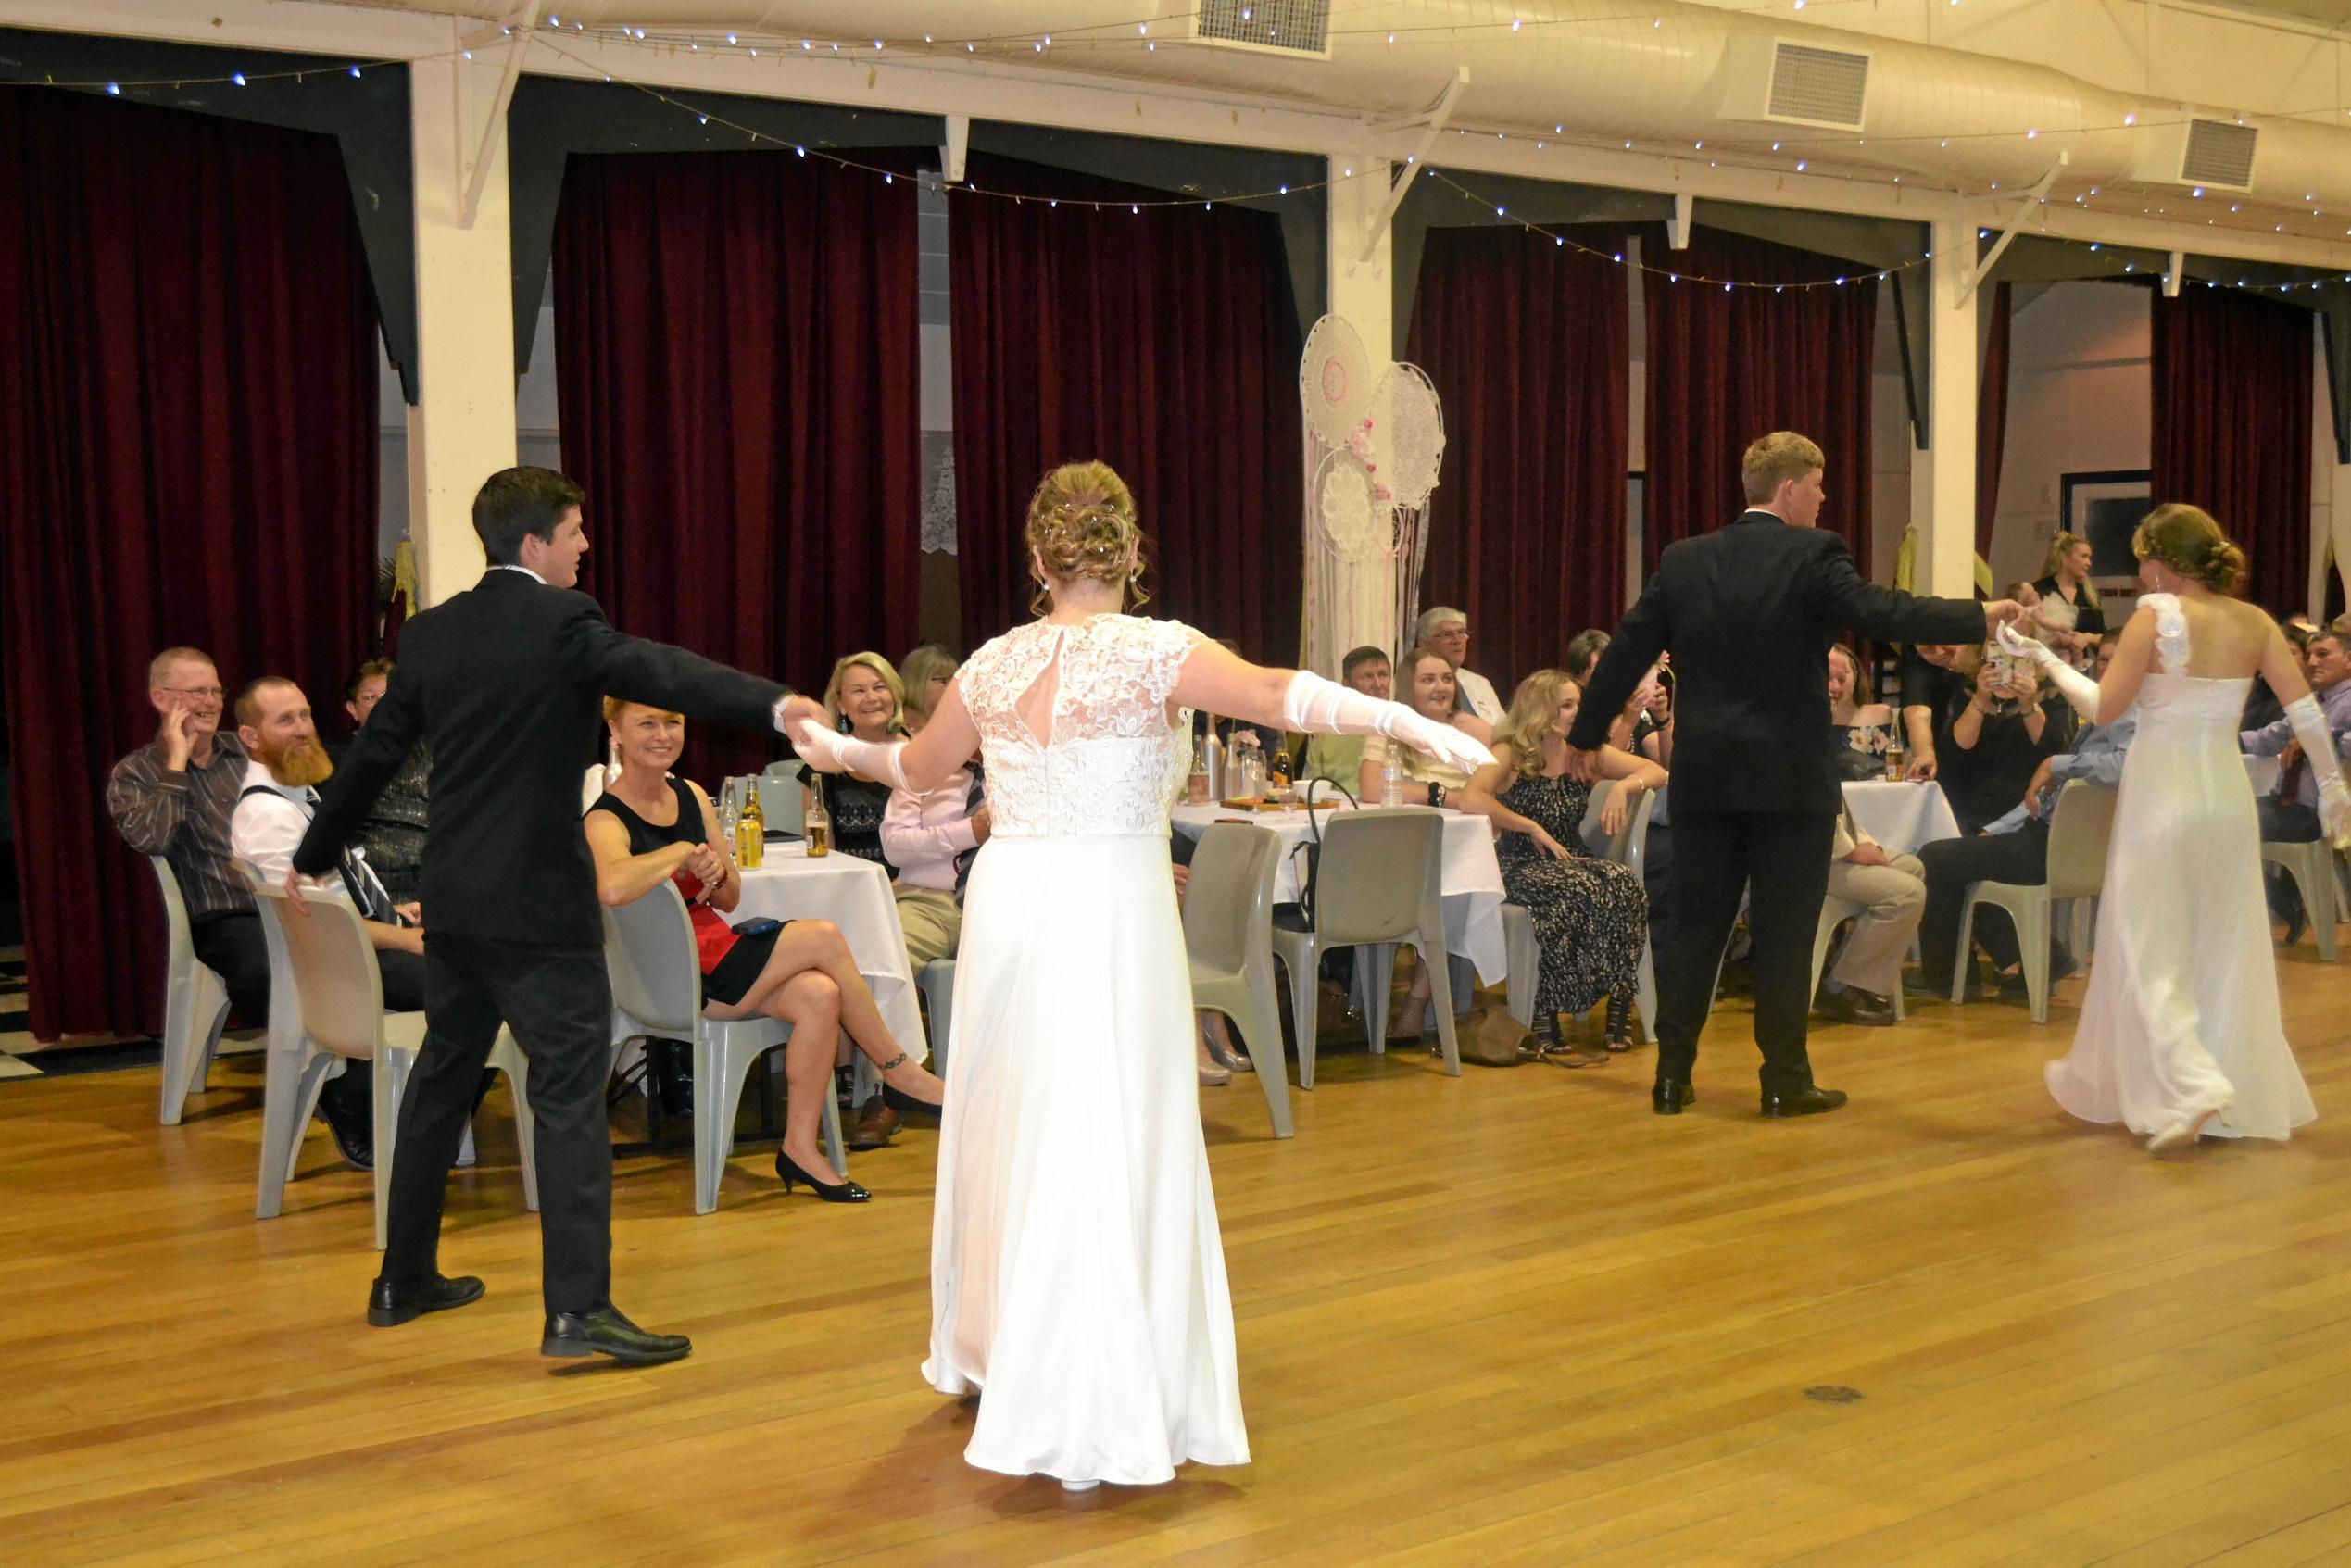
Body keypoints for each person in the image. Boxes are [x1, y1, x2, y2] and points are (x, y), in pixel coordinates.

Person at [786, 459, 1491, 1491]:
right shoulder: (1157, 651)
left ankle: (1011, 1349)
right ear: (1133, 556)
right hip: (1108, 909)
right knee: (1111, 1123)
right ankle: (1096, 1383)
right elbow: (1281, 695)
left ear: (1036, 558)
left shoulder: (987, 665)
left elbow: (907, 770)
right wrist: (1397, 721)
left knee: (1019, 1122)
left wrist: (822, 741)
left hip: (1014, 907)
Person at [293, 465, 799, 1367]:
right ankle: (579, 1309)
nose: (585, 546)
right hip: (538, 908)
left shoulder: (434, 633)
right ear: (534, 543)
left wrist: (310, 852)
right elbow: (667, 670)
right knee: (566, 1095)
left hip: (457, 901)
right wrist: (776, 704)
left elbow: (370, 758)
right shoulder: (568, 622)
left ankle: (402, 1277)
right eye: (574, 532)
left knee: (444, 1080)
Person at [1567, 432, 2018, 1118]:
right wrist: (1976, 613)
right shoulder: (1814, 553)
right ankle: (1783, 1079)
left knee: (1696, 933)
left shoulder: (1685, 561)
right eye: (1819, 484)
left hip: (1707, 781)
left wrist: (1581, 734)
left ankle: (1671, 1077)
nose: (1824, 497)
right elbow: (1882, 611)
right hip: (1788, 783)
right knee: (1784, 935)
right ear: (1788, 490)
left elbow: (1628, 646)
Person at [2001, 504, 2343, 1154]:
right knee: (2222, 939)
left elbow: (2103, 704)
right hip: (2228, 801)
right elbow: (2305, 710)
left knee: (2146, 936)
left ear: (2159, 560)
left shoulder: (2156, 616)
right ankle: (2218, 1083)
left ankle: (2191, 1081)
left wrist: (2044, 658)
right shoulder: (2255, 621)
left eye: (2141, 559)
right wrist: (2334, 785)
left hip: (2164, 797)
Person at [586, 698, 943, 1198]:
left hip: (715, 949)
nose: (663, 735)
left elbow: (730, 896)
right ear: (616, 731)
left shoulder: (689, 794)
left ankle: (799, 1148)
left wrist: (714, 872)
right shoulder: (604, 818)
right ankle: (899, 1071)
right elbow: (611, 887)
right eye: (647, 723)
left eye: (674, 722)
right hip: (671, 975)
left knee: (820, 993)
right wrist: (678, 855)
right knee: (822, 935)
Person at [109, 648, 380, 1160]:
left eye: (215, 690)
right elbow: (150, 838)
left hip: (297, 897)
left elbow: (315, 806)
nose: (210, 702)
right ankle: (333, 1093)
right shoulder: (136, 773)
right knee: (263, 967)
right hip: (227, 914)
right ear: (160, 699)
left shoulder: (250, 748)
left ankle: (363, 1070)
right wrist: (175, 760)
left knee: (367, 952)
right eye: (195, 692)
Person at [1457, 671, 1655, 1060]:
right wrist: (1528, 825)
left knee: (1623, 881)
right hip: (1517, 862)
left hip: (1569, 855)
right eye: (1567, 705)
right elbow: (1471, 799)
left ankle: (1620, 999)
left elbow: (1656, 772)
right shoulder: (1510, 752)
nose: (1576, 713)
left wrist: (1620, 787)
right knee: (1571, 891)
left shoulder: (1583, 751)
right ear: (1542, 711)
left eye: (1578, 705)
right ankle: (1544, 1012)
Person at [2240, 626, 2351, 941]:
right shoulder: (2312, 702)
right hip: (2284, 803)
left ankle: (2283, 900)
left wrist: (2319, 738)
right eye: (2311, 654)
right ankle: (2284, 898)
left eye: (2323, 654)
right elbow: (2268, 737)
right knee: (2212, 820)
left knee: (2228, 826)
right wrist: (2222, 739)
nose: (2312, 662)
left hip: (2315, 812)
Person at [1815, 799, 1923, 1026]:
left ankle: (1845, 974)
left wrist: (1869, 845)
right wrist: (1852, 852)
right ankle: (1841, 987)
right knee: (1908, 893)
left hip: (1833, 850)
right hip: (1810, 858)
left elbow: (1840, 810)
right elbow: (1815, 812)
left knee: (1912, 867)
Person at [333, 658, 431, 905]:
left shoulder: (432, 749)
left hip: (437, 869)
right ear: (352, 709)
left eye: (389, 695)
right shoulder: (336, 757)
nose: (381, 705)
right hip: (375, 880)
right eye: (369, 697)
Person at [1357, 646, 1493, 805]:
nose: (1441, 687)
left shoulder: (1477, 730)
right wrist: (1441, 797)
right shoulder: (1386, 725)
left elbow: (1488, 797)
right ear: (1408, 688)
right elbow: (1370, 788)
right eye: (1428, 680)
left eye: (1447, 679)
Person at [1298, 646, 1388, 792]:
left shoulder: (1403, 731)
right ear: (1347, 685)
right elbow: (1310, 792)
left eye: (1383, 675)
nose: (1378, 685)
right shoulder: (1327, 737)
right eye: (1368, 677)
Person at [1415, 606, 1504, 727]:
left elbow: (1503, 730)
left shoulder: (1479, 683)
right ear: (1424, 644)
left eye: (1461, 632)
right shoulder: (1412, 682)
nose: (1457, 640)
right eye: (1446, 635)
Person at [2032, 533, 2106, 665]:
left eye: (2090, 558)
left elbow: (2104, 637)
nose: (2089, 563)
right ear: (2065, 558)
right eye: (2084, 557)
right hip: (2045, 668)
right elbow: (2026, 634)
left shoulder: (2090, 596)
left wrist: (2088, 638)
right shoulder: (2038, 591)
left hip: (2081, 671)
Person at [1828, 642, 1896, 777]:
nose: (1834, 687)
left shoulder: (1881, 715)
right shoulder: (1804, 720)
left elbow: (1894, 770)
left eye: (1842, 679)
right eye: (1827, 677)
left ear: (1856, 676)